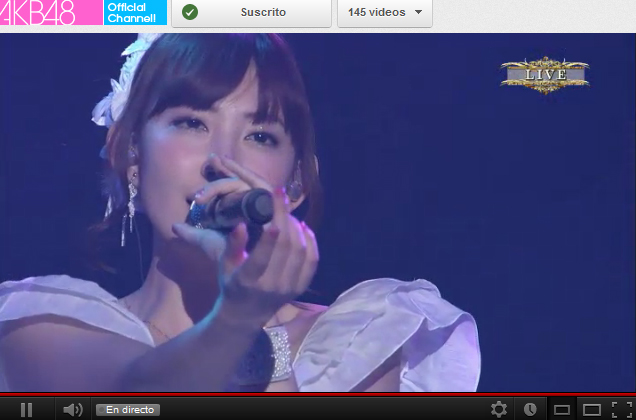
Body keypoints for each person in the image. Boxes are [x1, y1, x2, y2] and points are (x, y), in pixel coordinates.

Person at [0, 33, 480, 392]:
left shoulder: (358, 343)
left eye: (260, 135)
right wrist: (237, 318)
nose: (221, 160)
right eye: (191, 123)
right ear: (128, 153)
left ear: (296, 182)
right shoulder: (46, 328)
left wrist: (253, 318)